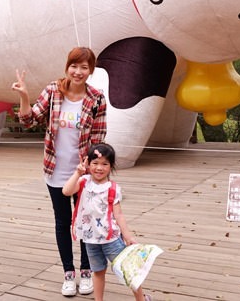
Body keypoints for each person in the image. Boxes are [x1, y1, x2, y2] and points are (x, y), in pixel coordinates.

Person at [12, 47, 106, 297]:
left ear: (91, 71)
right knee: (63, 222)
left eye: (84, 67)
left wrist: (92, 170)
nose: (78, 72)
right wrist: (24, 96)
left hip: (83, 174)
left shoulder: (97, 98)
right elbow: (29, 120)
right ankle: (68, 273)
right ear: (67, 67)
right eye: (74, 66)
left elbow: (98, 139)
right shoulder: (53, 91)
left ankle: (86, 271)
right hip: (55, 171)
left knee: (85, 222)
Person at [63, 143, 152, 301]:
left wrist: (128, 236)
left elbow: (118, 214)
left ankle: (141, 299)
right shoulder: (83, 182)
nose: (99, 168)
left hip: (111, 239)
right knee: (98, 272)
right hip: (91, 240)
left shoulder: (112, 188)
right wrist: (77, 172)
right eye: (95, 163)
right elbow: (66, 191)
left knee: (127, 270)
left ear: (111, 167)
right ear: (88, 163)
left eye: (105, 164)